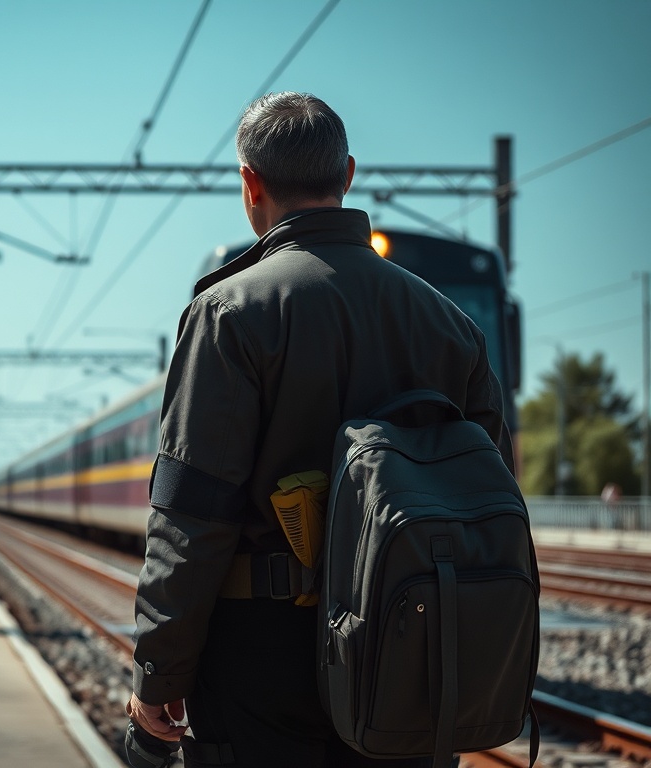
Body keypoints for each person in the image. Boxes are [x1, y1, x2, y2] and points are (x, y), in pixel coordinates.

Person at [125, 92, 512, 767]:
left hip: (263, 653)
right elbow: (490, 501)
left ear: (250, 184)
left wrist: (160, 670)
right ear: (349, 174)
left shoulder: (229, 313)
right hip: (409, 636)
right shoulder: (453, 326)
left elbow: (193, 518)